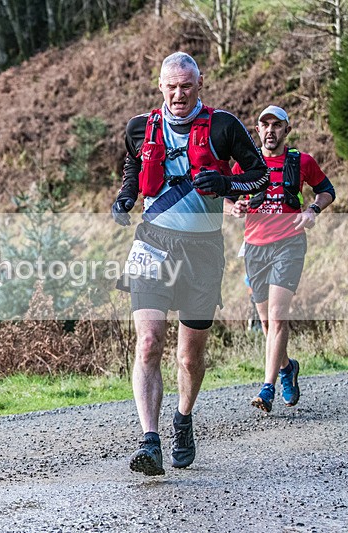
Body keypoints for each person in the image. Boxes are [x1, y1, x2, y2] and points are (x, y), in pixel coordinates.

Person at [111, 52, 269, 476]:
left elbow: (260, 176)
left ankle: (183, 418)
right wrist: (126, 197)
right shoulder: (141, 127)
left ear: (200, 84)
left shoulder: (223, 126)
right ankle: (150, 440)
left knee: (188, 358)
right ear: (159, 86)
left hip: (202, 250)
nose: (178, 94)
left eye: (186, 86)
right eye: (171, 86)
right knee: (148, 342)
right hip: (152, 243)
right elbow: (133, 164)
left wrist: (226, 183)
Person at [225, 105, 335, 413]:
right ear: (257, 131)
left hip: (289, 245)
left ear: (287, 130)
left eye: (277, 125)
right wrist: (233, 209)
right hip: (254, 247)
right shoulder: (245, 165)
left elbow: (327, 190)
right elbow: (225, 198)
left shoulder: (301, 162)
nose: (271, 130)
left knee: (276, 317)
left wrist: (313, 210)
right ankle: (287, 368)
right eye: (265, 125)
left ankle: (267, 387)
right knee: (265, 322)